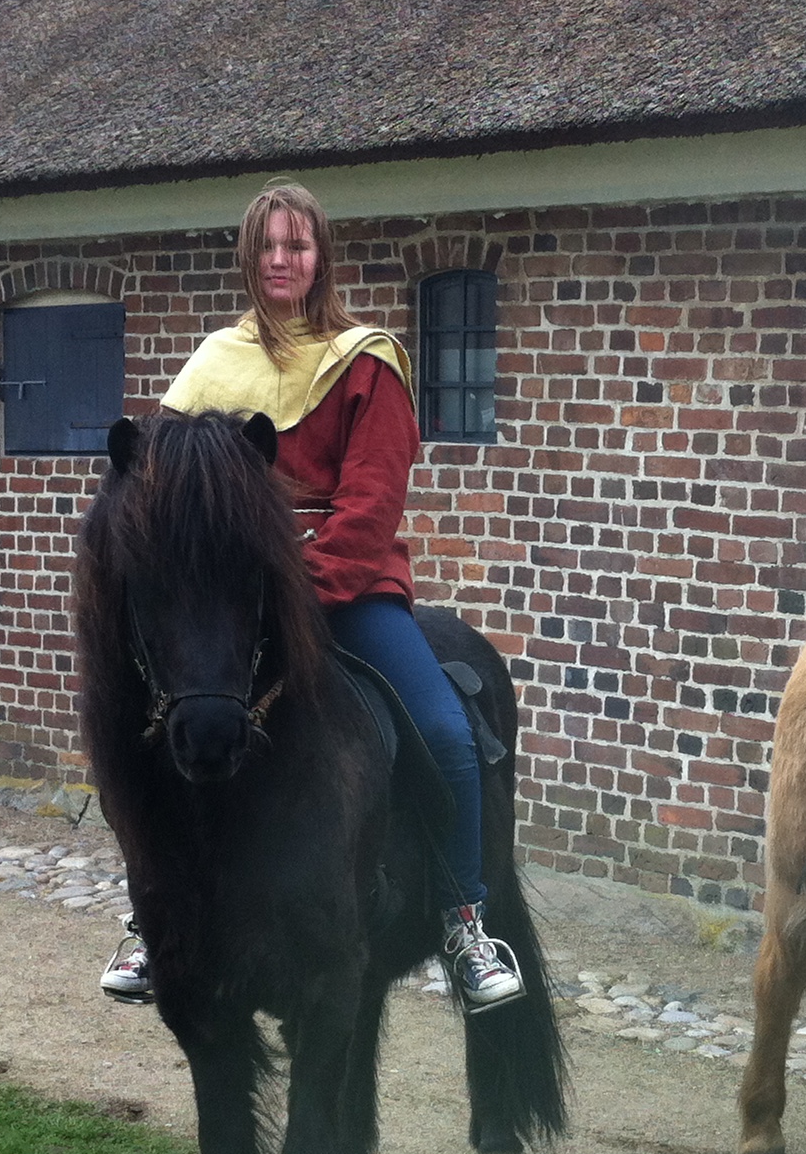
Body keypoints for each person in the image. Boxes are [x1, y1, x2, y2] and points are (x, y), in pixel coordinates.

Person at [100, 181, 522, 1012]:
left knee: (445, 732)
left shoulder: (366, 361)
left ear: (320, 255)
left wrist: (300, 590)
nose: (281, 261)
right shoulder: (210, 368)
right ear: (248, 258)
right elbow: (158, 493)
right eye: (267, 246)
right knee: (141, 726)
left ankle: (465, 924)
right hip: (237, 602)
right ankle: (153, 922)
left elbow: (371, 507)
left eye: (296, 246)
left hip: (347, 589)